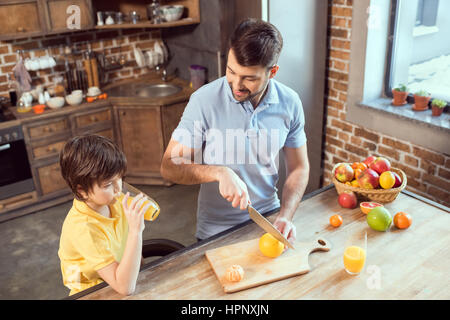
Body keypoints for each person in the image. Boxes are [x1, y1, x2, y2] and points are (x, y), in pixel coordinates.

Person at [160, 19, 310, 244]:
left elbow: (299, 167)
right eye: (231, 71)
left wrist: (285, 216)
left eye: (249, 78)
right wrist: (219, 172)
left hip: (268, 220)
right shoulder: (204, 100)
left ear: (273, 72)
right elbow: (169, 166)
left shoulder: (290, 103)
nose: (236, 85)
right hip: (214, 231)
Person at [58, 134, 154, 296]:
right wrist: (135, 231)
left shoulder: (114, 200)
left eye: (120, 178)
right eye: (108, 184)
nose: (119, 189)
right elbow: (125, 288)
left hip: (118, 274)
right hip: (91, 291)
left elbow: (125, 248)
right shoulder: (83, 228)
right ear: (81, 190)